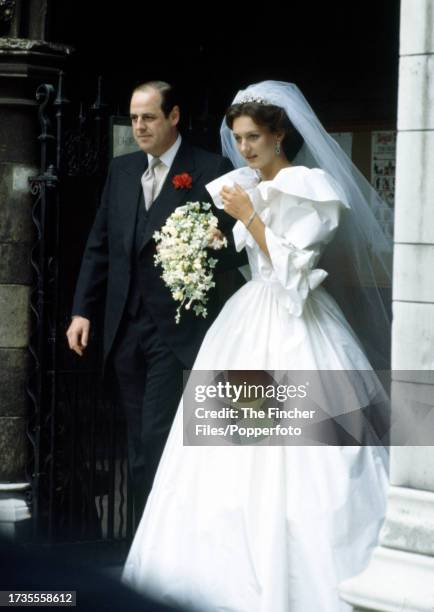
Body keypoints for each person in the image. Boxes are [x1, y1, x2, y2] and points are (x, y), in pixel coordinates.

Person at [121, 81, 392, 611]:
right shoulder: (244, 182)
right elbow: (259, 263)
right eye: (239, 138)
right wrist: (222, 241)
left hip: (296, 323)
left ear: (279, 134)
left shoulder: (309, 186)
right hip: (247, 320)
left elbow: (297, 270)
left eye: (254, 138)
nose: (244, 149)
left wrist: (247, 216)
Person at [66, 81, 244, 527]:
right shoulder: (122, 170)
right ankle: (139, 540)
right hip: (124, 326)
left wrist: (209, 246)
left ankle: (158, 538)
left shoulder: (208, 167)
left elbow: (237, 246)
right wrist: (82, 311)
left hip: (175, 329)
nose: (139, 127)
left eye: (148, 117)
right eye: (134, 118)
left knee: (157, 434)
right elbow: (99, 245)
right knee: (134, 440)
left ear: (174, 116)